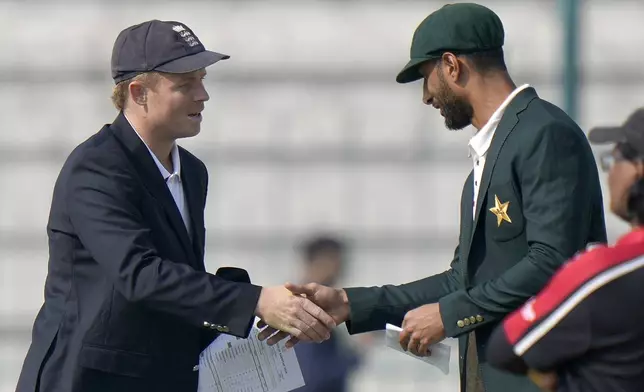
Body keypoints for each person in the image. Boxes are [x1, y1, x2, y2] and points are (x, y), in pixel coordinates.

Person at [259, 4, 606, 392]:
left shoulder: (543, 133)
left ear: (452, 66)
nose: (426, 96)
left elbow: (553, 262)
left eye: (427, 78)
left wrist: (449, 314)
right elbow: (463, 279)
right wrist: (350, 304)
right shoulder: (495, 150)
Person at [15, 20, 334, 392]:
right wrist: (256, 301)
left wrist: (261, 313)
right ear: (139, 92)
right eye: (185, 84)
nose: (203, 95)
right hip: (89, 379)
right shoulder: (96, 167)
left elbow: (177, 283)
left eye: (202, 79)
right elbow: (141, 274)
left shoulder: (193, 172)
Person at [487, 108, 644, 392]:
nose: (610, 172)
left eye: (616, 158)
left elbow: (505, 348)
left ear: (638, 169)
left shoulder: (601, 273)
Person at [292, 236, 363, 392]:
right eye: (338, 264)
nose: (340, 272)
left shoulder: (305, 304)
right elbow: (311, 376)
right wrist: (356, 354)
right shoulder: (304, 308)